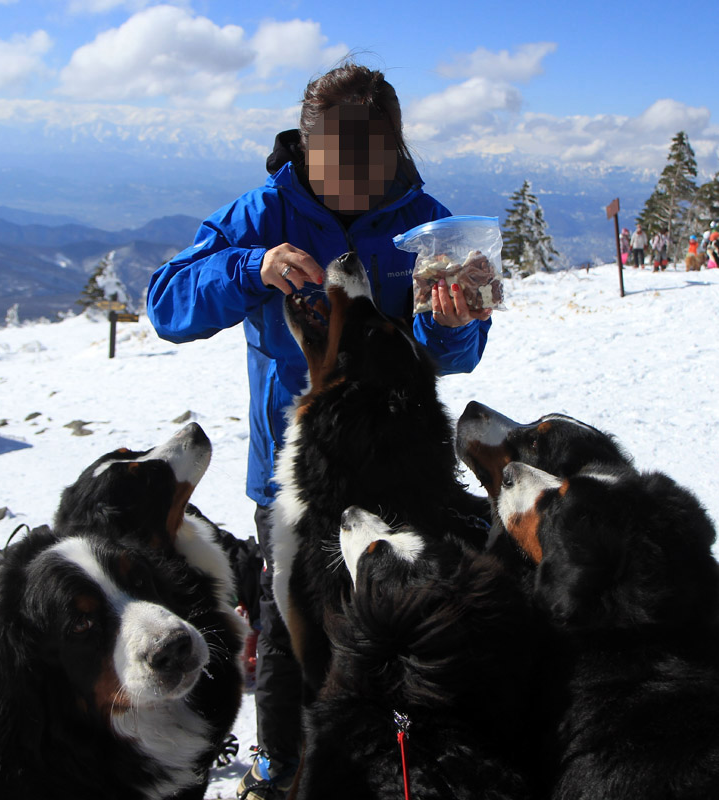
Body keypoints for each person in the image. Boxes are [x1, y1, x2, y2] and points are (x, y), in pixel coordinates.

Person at [146, 62, 492, 800]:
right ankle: (281, 767)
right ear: (308, 151)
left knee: (393, 626)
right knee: (289, 631)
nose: (360, 187)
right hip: (294, 478)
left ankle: (389, 761)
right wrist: (248, 268)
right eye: (342, 170)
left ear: (398, 151)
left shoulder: (425, 222)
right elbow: (167, 305)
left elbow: (447, 359)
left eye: (377, 167)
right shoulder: (262, 213)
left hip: (397, 474)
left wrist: (452, 323)